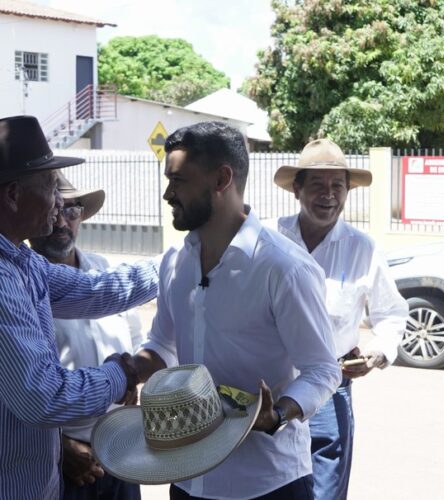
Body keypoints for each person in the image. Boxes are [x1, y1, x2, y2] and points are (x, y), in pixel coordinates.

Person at [129, 121, 341, 499]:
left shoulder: (284, 267)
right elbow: (163, 342)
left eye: (178, 181)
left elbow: (323, 370)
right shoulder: (175, 263)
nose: (167, 194)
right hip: (187, 476)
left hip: (267, 483)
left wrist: (276, 414)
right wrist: (126, 372)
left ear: (222, 179)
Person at [0, 115, 158, 500]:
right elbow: (44, 396)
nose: (59, 205)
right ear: (13, 195)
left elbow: (95, 290)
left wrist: (180, 263)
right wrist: (124, 373)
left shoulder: (22, 263)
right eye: (51, 188)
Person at [271, 138, 409, 500]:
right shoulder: (269, 238)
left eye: (338, 186)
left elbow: (392, 312)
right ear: (297, 189)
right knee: (270, 487)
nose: (328, 195)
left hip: (331, 392)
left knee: (325, 492)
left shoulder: (362, 248)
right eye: (317, 184)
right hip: (270, 389)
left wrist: (378, 352)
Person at [29, 174, 143, 500]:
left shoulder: (105, 272)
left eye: (71, 211)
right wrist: (60, 447)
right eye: (55, 210)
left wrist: (130, 375)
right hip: (63, 463)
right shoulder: (20, 285)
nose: (61, 222)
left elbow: (134, 342)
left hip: (120, 452)